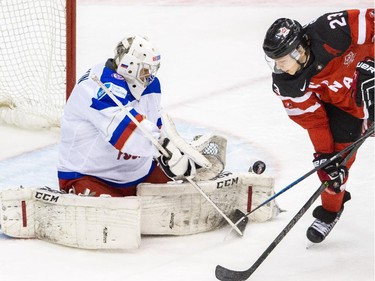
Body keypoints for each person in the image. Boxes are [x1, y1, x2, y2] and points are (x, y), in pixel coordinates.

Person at [262, 9, 374, 243]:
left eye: (283, 61)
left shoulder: (331, 31)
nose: (280, 68)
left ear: (299, 51)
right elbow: (314, 121)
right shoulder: (288, 84)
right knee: (334, 168)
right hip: (345, 109)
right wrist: (324, 155)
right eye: (276, 63)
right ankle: (331, 211)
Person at [57, 35, 194, 197]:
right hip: (90, 177)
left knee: (183, 191)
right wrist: (164, 147)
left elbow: (155, 126)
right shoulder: (97, 87)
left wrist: (175, 152)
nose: (149, 76)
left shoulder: (151, 86)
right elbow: (123, 132)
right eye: (145, 69)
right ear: (129, 65)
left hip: (139, 174)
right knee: (112, 219)